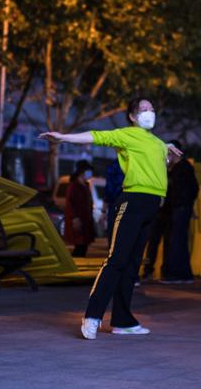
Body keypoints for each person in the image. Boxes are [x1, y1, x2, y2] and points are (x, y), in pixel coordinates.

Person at [39, 97, 181, 340]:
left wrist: (172, 159)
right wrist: (64, 138)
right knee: (116, 259)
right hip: (132, 201)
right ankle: (92, 316)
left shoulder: (159, 144)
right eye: (144, 109)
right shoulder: (127, 135)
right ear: (133, 117)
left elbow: (161, 169)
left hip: (151, 205)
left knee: (132, 264)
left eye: (153, 108)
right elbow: (96, 136)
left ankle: (123, 321)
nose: (150, 113)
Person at [157, 139, 199, 284]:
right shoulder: (176, 168)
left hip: (180, 208)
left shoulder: (183, 168)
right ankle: (185, 274)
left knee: (176, 241)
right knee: (179, 241)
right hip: (178, 208)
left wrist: (185, 204)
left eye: (169, 150)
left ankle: (175, 275)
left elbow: (192, 189)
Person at [65, 160, 96, 257]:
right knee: (79, 246)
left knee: (84, 246)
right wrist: (74, 218)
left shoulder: (86, 185)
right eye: (88, 170)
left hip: (86, 219)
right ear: (82, 171)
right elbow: (70, 203)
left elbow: (89, 201)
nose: (89, 173)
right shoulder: (73, 185)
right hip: (77, 220)